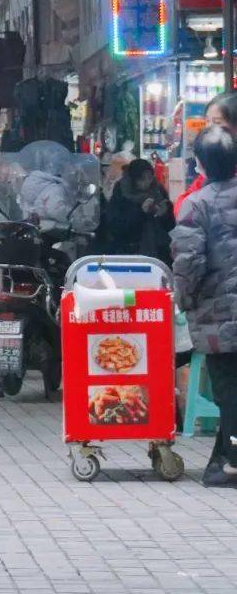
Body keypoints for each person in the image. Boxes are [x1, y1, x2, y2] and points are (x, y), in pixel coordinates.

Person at [172, 125, 237, 487]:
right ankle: (223, 458)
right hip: (222, 312)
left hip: (218, 314)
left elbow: (188, 264)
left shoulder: (196, 205)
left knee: (228, 390)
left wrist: (184, 299)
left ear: (199, 163)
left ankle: (233, 462)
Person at [100, 158, 175, 260]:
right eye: (142, 179)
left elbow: (170, 227)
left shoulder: (158, 191)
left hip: (158, 253)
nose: (147, 182)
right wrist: (140, 212)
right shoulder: (122, 193)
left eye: (149, 177)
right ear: (134, 179)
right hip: (128, 253)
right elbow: (116, 227)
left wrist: (164, 214)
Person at [175, 90, 237, 214]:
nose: (209, 128)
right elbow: (181, 206)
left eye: (217, 122)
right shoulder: (213, 161)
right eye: (207, 121)